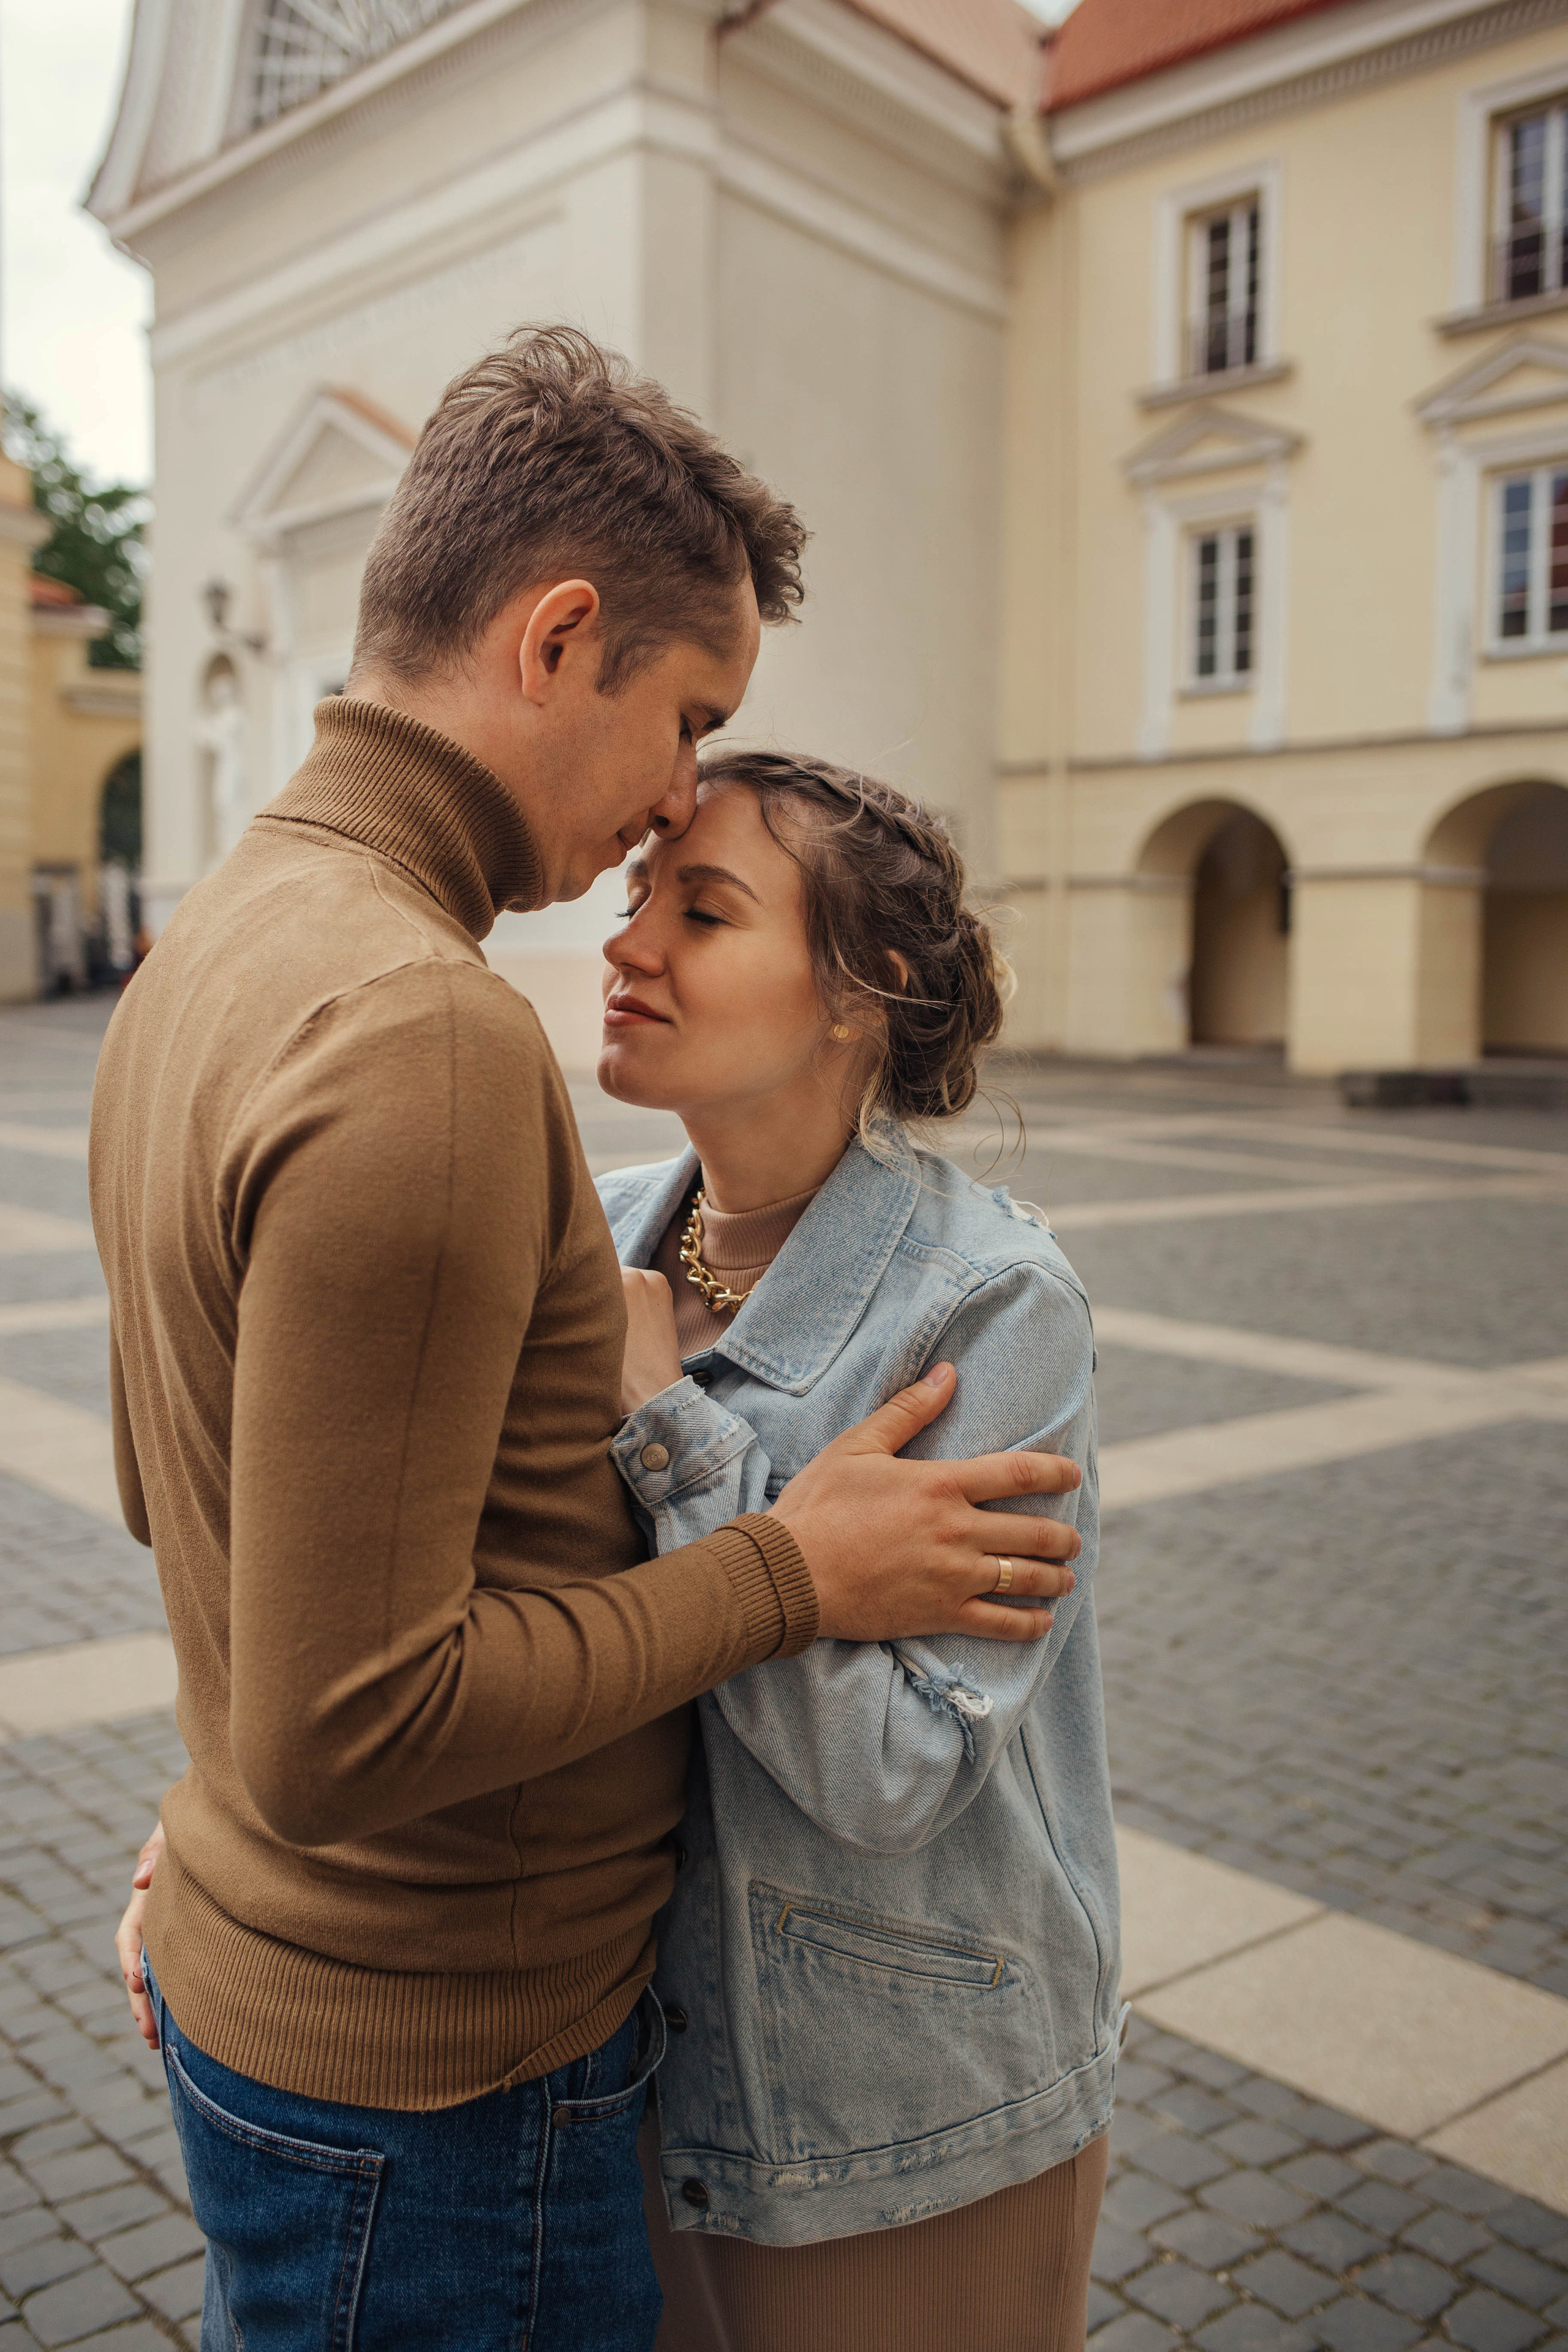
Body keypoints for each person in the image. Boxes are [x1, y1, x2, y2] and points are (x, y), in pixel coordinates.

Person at [95, 328, 1084, 2352]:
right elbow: (335, 1705)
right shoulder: (431, 1034)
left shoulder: (213, 938)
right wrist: (788, 1567)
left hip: (542, 2048)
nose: (667, 808)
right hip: (450, 2075)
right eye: (687, 716)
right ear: (558, 639)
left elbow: (183, 1492)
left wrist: (222, 1851)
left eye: (705, 892)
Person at [595, 751, 1117, 2352]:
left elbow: (895, 1774)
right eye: (636, 897)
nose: (627, 943)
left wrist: (670, 1420)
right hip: (627, 2077)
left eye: (703, 908)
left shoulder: (984, 1305)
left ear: (857, 994)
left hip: (904, 2110)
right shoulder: (587, 1232)